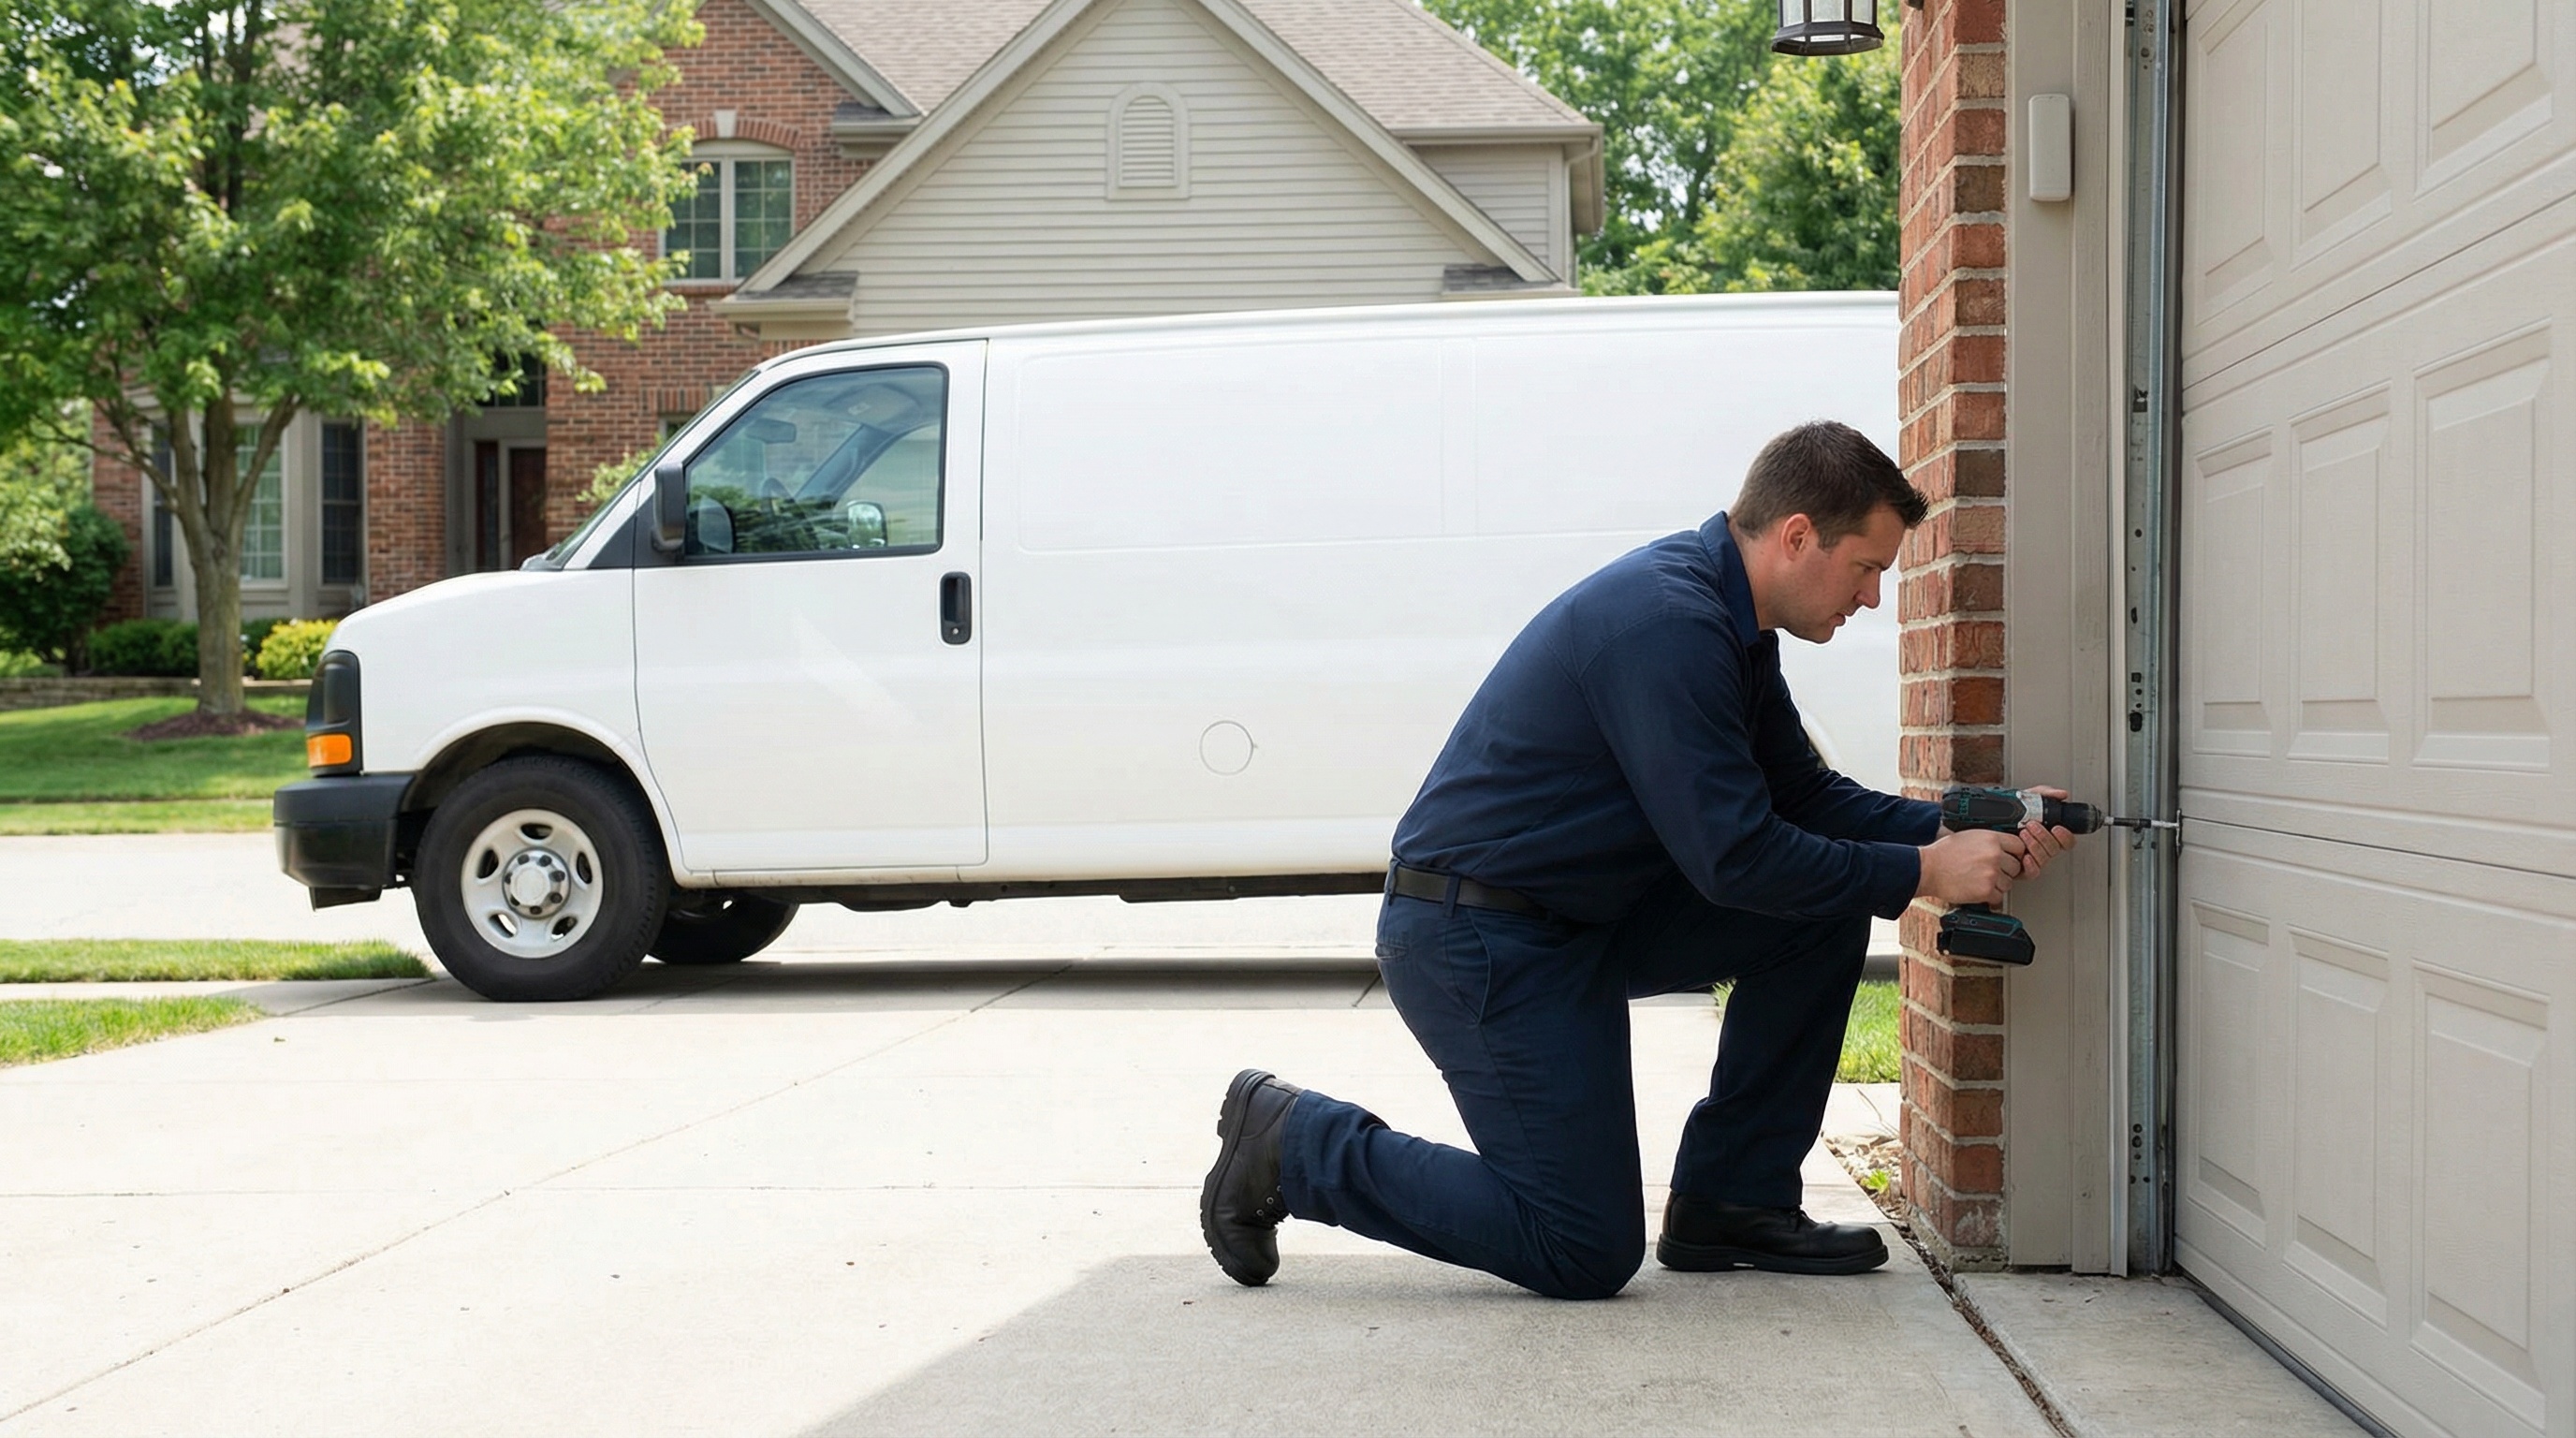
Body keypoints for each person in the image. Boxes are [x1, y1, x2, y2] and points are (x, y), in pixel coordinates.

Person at [1198, 420, 2079, 1299]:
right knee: (1579, 1246)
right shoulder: (1668, 625)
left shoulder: (1732, 624)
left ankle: (1733, 1202)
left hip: (1579, 922)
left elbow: (1804, 802)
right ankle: (1294, 1143)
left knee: (1817, 907)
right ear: (1797, 536)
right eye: (1868, 568)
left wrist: (1967, 830)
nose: (1874, 598)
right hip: (1478, 936)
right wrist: (1928, 874)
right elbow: (1736, 859)